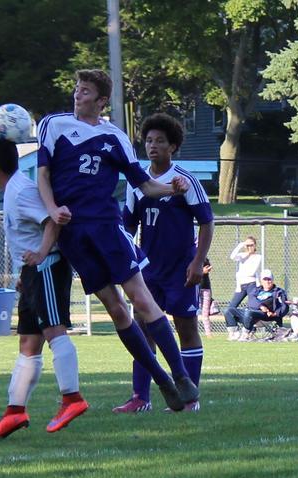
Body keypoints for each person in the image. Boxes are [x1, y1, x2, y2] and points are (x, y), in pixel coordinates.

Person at [37, 69, 199, 412]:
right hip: (74, 234)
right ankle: (162, 380)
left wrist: (173, 189)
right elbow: (43, 175)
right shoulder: (53, 125)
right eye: (77, 89)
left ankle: (181, 376)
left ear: (101, 100)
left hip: (108, 228)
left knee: (140, 298)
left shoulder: (115, 137)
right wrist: (52, 208)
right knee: (116, 310)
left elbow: (145, 186)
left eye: (85, 91)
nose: (77, 95)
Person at [0, 138, 88, 440]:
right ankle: (15, 411)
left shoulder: (22, 190)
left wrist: (40, 254)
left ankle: (72, 398)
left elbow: (53, 222)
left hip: (46, 267)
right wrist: (24, 273)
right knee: (28, 341)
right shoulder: (12, 190)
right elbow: (29, 232)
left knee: (54, 331)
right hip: (32, 273)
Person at [112, 112, 214, 413]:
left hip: (181, 268)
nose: (152, 145)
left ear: (173, 146)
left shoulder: (185, 181)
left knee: (186, 327)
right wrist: (127, 260)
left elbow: (207, 222)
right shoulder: (137, 183)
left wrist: (197, 263)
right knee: (143, 330)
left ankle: (190, 399)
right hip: (147, 271)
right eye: (148, 140)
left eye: (159, 141)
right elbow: (128, 226)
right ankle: (140, 398)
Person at [224, 269, 288, 341]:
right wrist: (261, 306)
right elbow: (251, 301)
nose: (267, 282)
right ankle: (234, 334)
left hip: (265, 316)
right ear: (261, 281)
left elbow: (284, 306)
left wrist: (275, 313)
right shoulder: (256, 290)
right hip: (251, 313)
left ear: (272, 280)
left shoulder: (278, 292)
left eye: (269, 279)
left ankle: (246, 334)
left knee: (249, 312)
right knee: (228, 310)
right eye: (265, 279)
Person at [228, 236, 262, 307]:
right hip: (241, 285)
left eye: (251, 245)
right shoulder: (242, 255)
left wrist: (239, 274)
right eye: (247, 245)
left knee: (253, 305)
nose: (249, 247)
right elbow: (232, 257)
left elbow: (251, 272)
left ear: (255, 245)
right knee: (231, 307)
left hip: (252, 284)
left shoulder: (258, 257)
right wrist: (241, 245)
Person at [200, 258, 214, 338]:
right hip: (193, 288)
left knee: (205, 312)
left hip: (205, 288)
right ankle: (190, 331)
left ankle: (208, 333)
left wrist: (207, 269)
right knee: (191, 311)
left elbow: (208, 267)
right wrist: (202, 271)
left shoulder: (204, 258)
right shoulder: (190, 256)